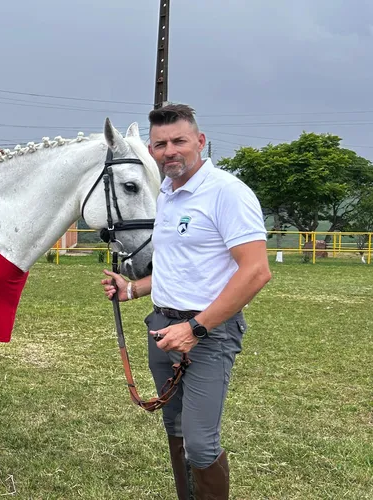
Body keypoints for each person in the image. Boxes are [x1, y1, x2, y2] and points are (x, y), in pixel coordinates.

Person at [101, 103, 271, 499]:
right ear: (151, 150)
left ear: (200, 141)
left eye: (179, 141)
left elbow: (256, 271)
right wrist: (133, 290)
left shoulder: (227, 192)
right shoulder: (167, 193)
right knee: (175, 431)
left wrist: (195, 329)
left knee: (200, 443)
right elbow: (177, 265)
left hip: (207, 333)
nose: (170, 151)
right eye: (160, 144)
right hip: (162, 328)